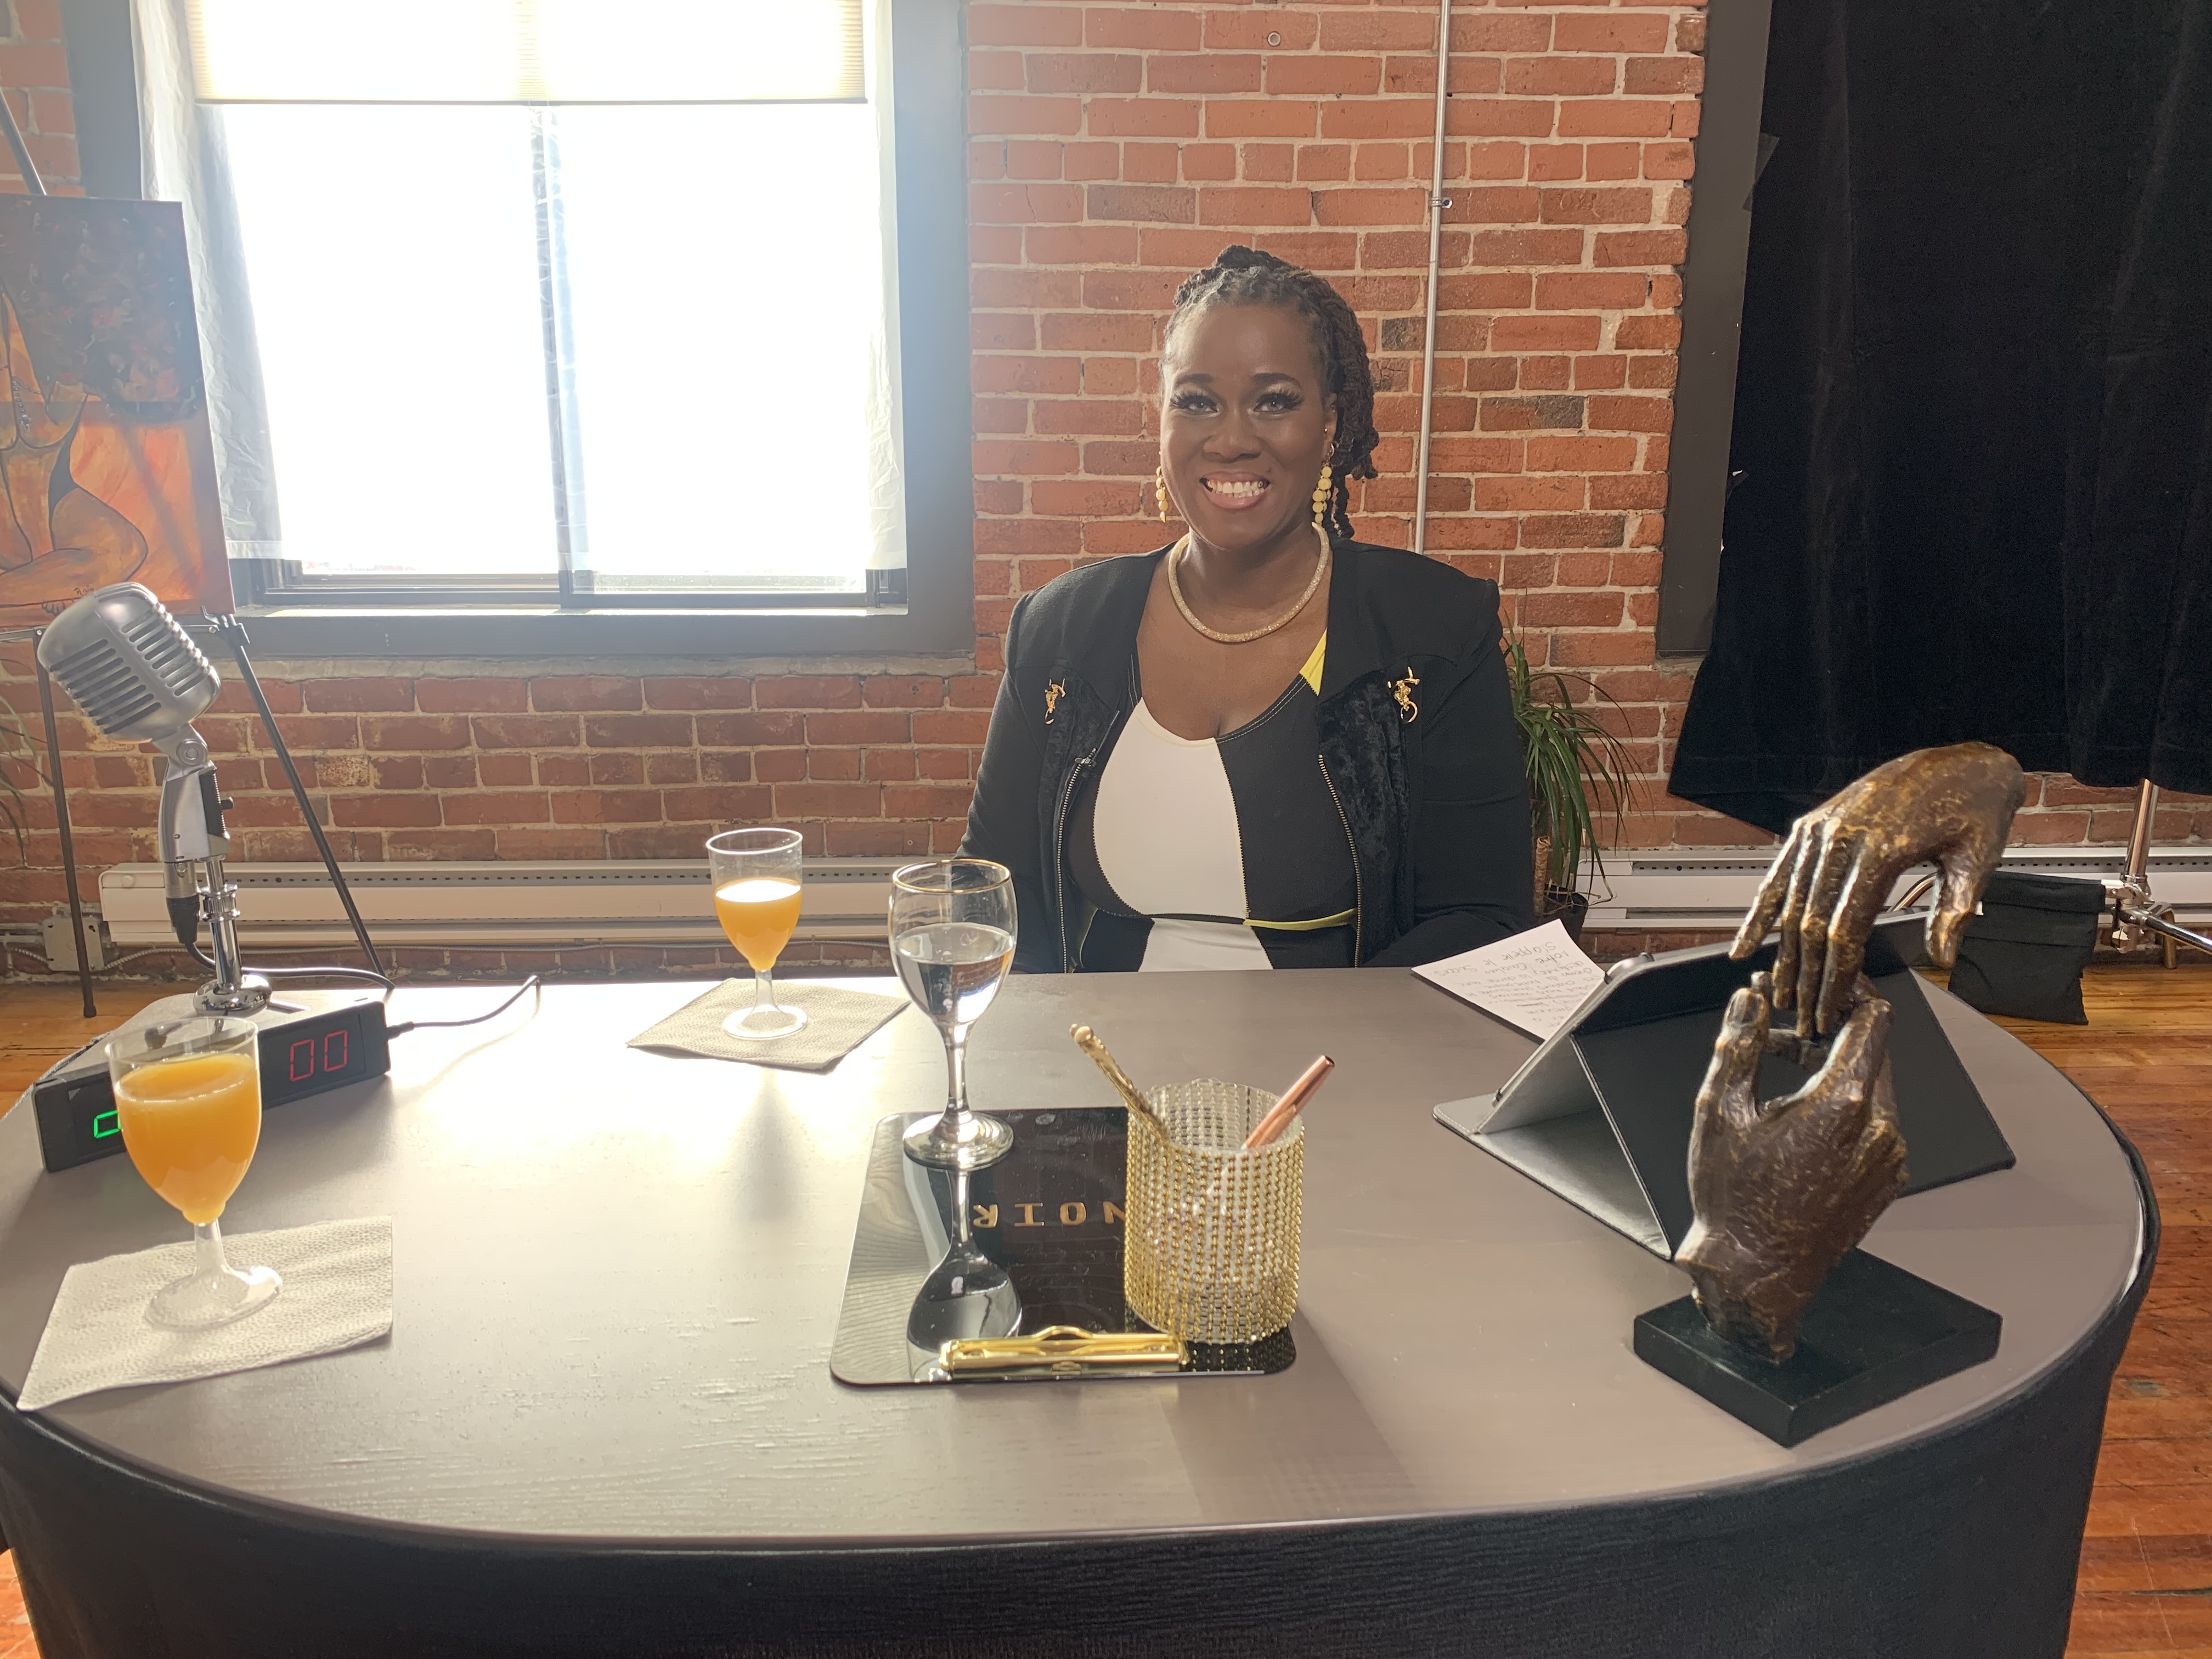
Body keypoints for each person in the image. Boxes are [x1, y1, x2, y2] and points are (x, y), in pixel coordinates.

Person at [962, 245, 1534, 973]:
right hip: (1098, 1045)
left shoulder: (1435, 631)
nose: (1232, 439)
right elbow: (990, 900)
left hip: (1348, 1045)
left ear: (1330, 424)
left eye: (1275, 401)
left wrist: (1332, 1041)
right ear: (1162, 419)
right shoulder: (1059, 633)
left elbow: (1481, 921)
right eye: (1197, 401)